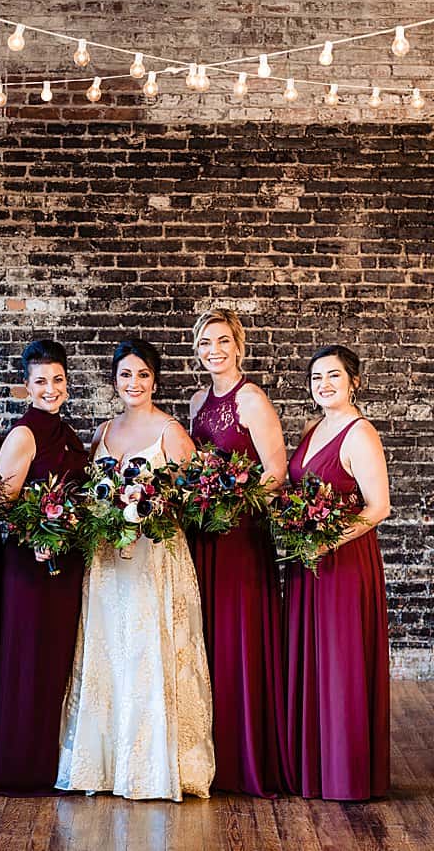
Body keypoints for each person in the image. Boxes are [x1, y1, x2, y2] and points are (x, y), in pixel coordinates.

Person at [55, 338, 213, 799]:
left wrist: (156, 506)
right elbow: (88, 495)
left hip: (155, 559)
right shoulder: (102, 432)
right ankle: (104, 767)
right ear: (114, 380)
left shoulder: (171, 432)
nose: (134, 382)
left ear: (155, 380)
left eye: (142, 374)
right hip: (108, 561)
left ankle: (153, 768)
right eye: (126, 374)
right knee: (109, 654)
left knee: (149, 652)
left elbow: (196, 495)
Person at [184, 308, 288, 795]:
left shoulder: (252, 399)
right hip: (203, 534)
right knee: (205, 637)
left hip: (240, 536)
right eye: (205, 343)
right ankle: (207, 754)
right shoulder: (196, 400)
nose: (214, 351)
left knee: (238, 637)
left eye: (222, 341)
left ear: (238, 345)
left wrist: (234, 506)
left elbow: (275, 473)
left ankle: (245, 757)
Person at [283, 345, 390, 800]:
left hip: (345, 564)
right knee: (313, 660)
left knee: (341, 664)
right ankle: (313, 768)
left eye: (333, 376)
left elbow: (378, 507)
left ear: (354, 382)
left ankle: (346, 776)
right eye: (316, 378)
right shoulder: (314, 429)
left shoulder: (360, 433)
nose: (323, 385)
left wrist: (326, 540)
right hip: (310, 566)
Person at [0, 338, 88, 793]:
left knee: (57, 663)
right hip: (31, 566)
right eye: (41, 381)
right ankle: (20, 769)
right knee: (28, 661)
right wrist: (36, 539)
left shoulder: (67, 434)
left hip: (65, 565)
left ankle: (53, 763)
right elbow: (2, 506)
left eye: (58, 380)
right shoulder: (23, 435)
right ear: (26, 387)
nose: (51, 389)